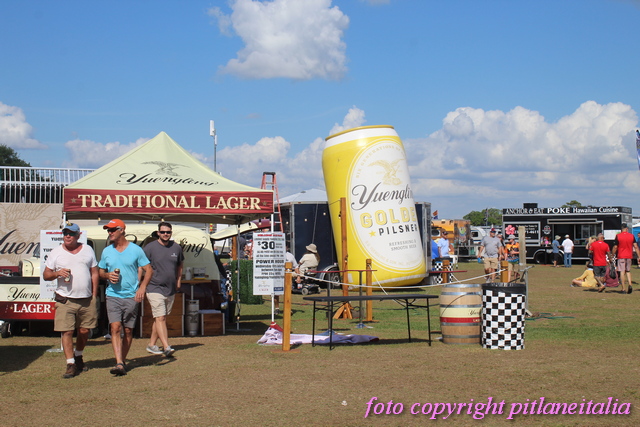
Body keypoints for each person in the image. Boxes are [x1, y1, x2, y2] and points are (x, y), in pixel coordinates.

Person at [42, 223, 99, 379]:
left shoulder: (88, 249)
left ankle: (78, 356)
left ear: (78, 235)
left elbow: (94, 272)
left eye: (71, 233)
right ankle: (70, 363)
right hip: (65, 299)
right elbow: (46, 275)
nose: (68, 236)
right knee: (66, 331)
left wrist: (94, 294)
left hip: (86, 299)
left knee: (84, 331)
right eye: (65, 233)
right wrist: (57, 273)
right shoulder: (56, 252)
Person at [98, 219, 153, 376]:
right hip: (112, 295)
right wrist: (107, 275)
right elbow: (100, 271)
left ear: (122, 230)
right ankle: (119, 362)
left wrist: (142, 287)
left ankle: (122, 360)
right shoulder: (107, 251)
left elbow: (149, 270)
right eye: (108, 230)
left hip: (131, 296)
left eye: (112, 230)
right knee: (115, 328)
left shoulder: (136, 250)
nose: (110, 233)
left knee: (128, 330)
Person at [143, 222, 184, 357]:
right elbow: (141, 265)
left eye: (168, 232)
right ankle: (166, 347)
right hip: (154, 287)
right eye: (163, 232)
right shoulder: (150, 248)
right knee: (160, 317)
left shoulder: (176, 247)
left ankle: (152, 345)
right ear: (158, 233)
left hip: (170, 288)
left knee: (160, 317)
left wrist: (178, 280)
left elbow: (180, 265)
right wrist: (141, 283)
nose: (165, 234)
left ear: (171, 233)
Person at [611, 223, 640, 294]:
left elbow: (615, 247)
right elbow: (636, 246)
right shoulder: (631, 236)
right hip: (629, 255)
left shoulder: (618, 236)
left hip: (621, 255)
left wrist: (612, 254)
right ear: (627, 228)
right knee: (628, 271)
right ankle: (630, 284)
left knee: (622, 271)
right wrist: (639, 256)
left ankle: (623, 288)